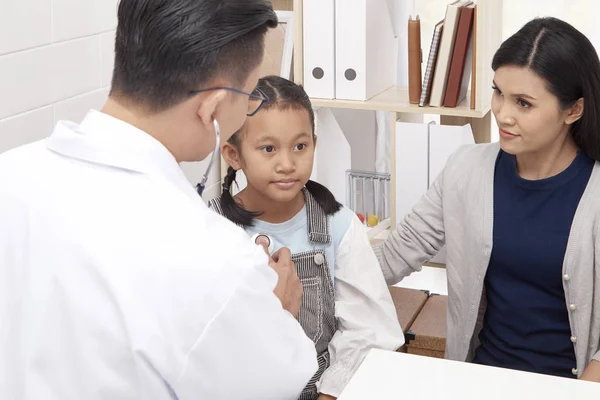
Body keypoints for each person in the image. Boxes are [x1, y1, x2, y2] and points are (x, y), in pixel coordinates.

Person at [0, 1, 319, 399]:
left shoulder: (9, 175)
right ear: (213, 107)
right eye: (249, 95)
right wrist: (279, 316)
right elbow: (272, 385)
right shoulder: (220, 263)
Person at [376, 17, 600, 382]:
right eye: (499, 93)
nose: (502, 113)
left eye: (524, 103)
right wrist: (310, 277)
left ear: (573, 110)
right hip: (480, 379)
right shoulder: (466, 169)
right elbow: (398, 253)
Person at [209, 75, 405, 400]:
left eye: (300, 146)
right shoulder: (211, 229)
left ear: (315, 142)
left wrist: (330, 395)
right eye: (268, 149)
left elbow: (369, 331)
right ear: (233, 154)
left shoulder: (337, 226)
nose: (287, 164)